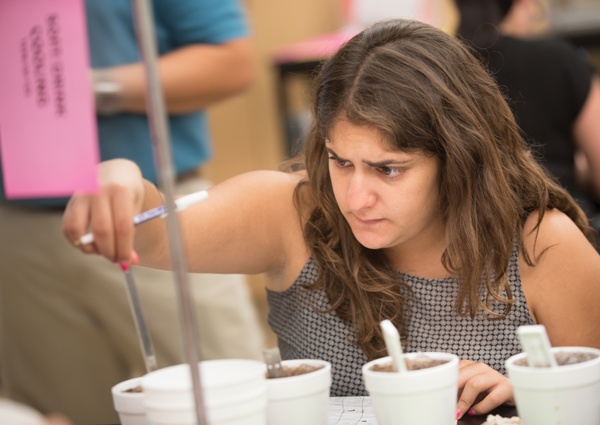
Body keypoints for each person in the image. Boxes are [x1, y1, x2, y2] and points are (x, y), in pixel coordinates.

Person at [63, 18, 600, 420]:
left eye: (389, 169)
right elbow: (153, 234)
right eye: (341, 161)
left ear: (460, 156)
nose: (355, 197)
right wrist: (118, 177)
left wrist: (526, 400)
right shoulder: (292, 214)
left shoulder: (540, 246)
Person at [0, 1, 264, 424]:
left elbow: (230, 61)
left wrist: (81, 89)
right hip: (20, 231)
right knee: (56, 413)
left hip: (157, 212)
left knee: (230, 405)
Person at [453, 0, 600, 233]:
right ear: (522, 4)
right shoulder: (559, 59)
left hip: (477, 236)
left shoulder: (444, 69)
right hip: (564, 225)